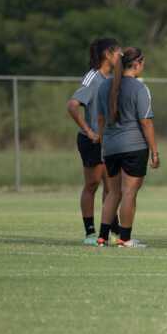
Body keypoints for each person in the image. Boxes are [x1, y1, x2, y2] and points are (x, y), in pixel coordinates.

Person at [96, 47, 159, 248]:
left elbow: (100, 119)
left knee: (113, 193)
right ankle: (124, 238)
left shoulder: (104, 86)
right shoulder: (140, 88)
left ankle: (102, 237)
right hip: (134, 147)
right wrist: (154, 151)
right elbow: (146, 122)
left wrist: (104, 143)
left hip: (111, 146)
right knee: (129, 193)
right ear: (137, 63)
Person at [67, 38, 121, 245]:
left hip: (110, 141)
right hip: (92, 141)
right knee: (92, 184)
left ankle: (111, 232)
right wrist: (88, 131)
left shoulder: (113, 78)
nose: (120, 58)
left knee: (112, 187)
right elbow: (72, 105)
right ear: (108, 54)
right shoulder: (93, 76)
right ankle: (90, 232)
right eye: (118, 53)